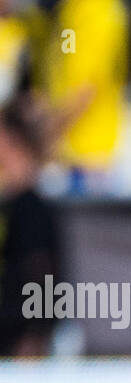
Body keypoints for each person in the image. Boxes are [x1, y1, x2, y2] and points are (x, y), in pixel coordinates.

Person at [36, 0, 130, 193]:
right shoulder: (107, 4)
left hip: (83, 148)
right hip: (94, 145)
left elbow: (82, 84)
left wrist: (53, 129)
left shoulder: (85, 9)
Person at [0, 99, 63, 357]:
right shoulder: (13, 203)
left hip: (16, 339)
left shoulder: (31, 207)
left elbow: (42, 273)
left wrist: (35, 334)